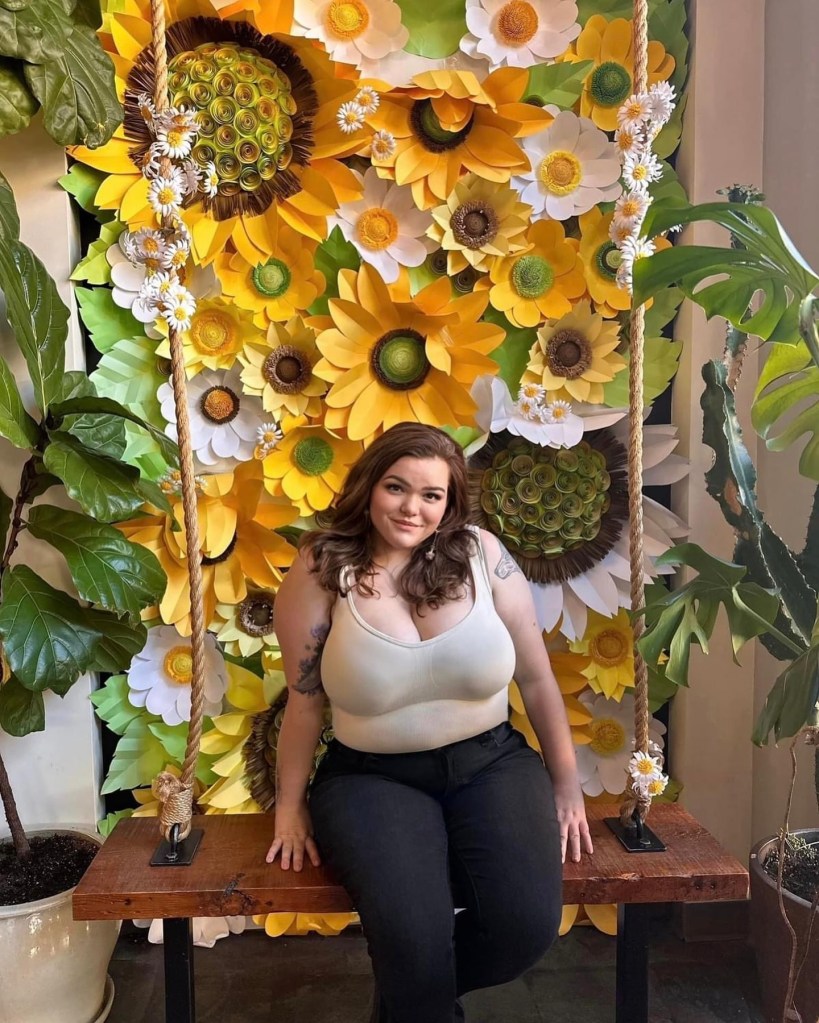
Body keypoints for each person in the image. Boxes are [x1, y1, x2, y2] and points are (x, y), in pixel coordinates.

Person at [266, 422, 593, 1023]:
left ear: (449, 503)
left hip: (492, 763)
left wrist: (566, 783)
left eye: (431, 495)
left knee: (524, 927)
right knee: (412, 940)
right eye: (397, 487)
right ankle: (415, 990)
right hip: (371, 780)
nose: (411, 508)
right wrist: (289, 805)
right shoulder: (322, 566)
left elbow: (539, 679)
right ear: (369, 486)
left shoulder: (482, 555)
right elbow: (304, 699)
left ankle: (411, 994)